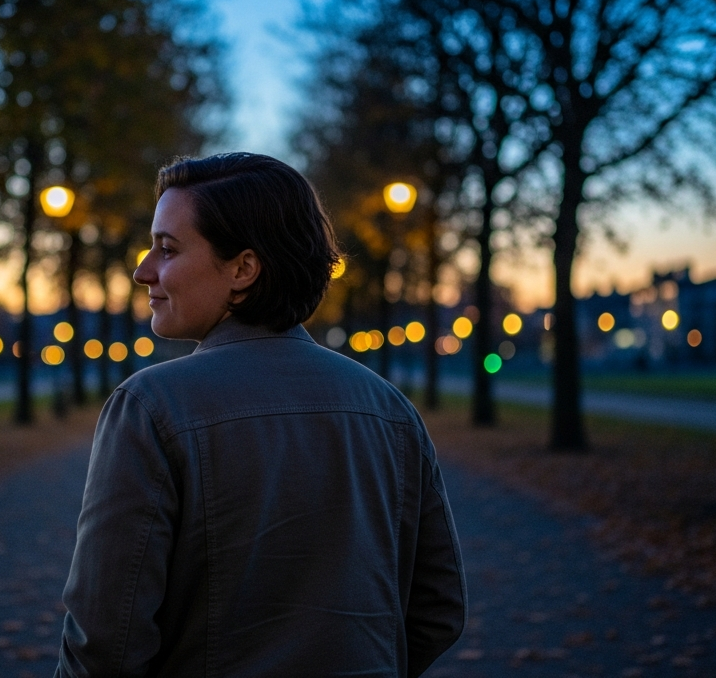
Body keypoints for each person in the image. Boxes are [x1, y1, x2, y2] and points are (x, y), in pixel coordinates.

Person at [55, 153, 465, 677]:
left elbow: (105, 645)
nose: (143, 271)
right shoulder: (389, 409)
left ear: (244, 269)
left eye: (167, 249)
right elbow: (438, 609)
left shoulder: (151, 408)